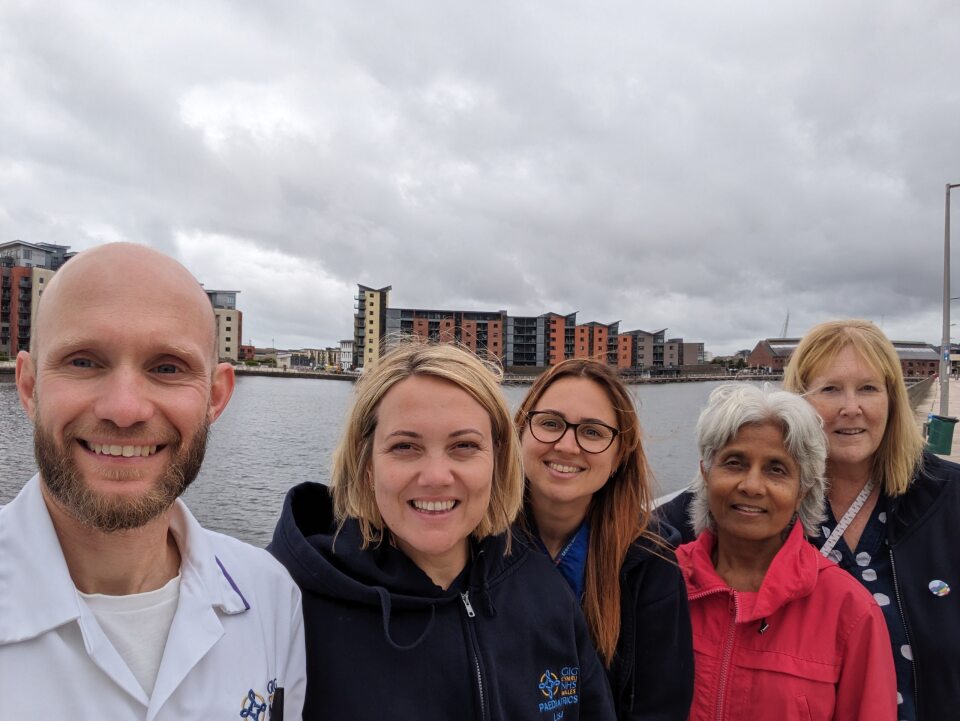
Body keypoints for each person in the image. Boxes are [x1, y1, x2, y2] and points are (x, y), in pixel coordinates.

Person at [0, 243, 305, 719]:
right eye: (84, 361)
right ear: (29, 387)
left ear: (216, 396)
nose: (124, 410)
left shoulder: (269, 594)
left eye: (167, 368)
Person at [269, 342, 616, 720]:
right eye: (405, 446)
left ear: (498, 460)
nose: (436, 476)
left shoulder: (544, 593)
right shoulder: (288, 607)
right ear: (366, 464)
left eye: (464, 445)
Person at [661, 320, 960, 720]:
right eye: (830, 388)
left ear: (893, 400)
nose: (850, 407)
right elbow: (639, 535)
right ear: (799, 400)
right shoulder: (747, 506)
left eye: (868, 388)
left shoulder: (947, 500)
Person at [678, 383, 896, 720]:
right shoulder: (662, 582)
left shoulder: (850, 611)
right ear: (707, 472)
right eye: (734, 462)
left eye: (776, 469)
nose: (751, 485)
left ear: (803, 488)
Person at [515, 359, 693, 720]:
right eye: (550, 423)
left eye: (593, 432)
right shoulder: (472, 544)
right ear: (521, 431)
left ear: (618, 458)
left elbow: (658, 708)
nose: (566, 445)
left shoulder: (650, 563)